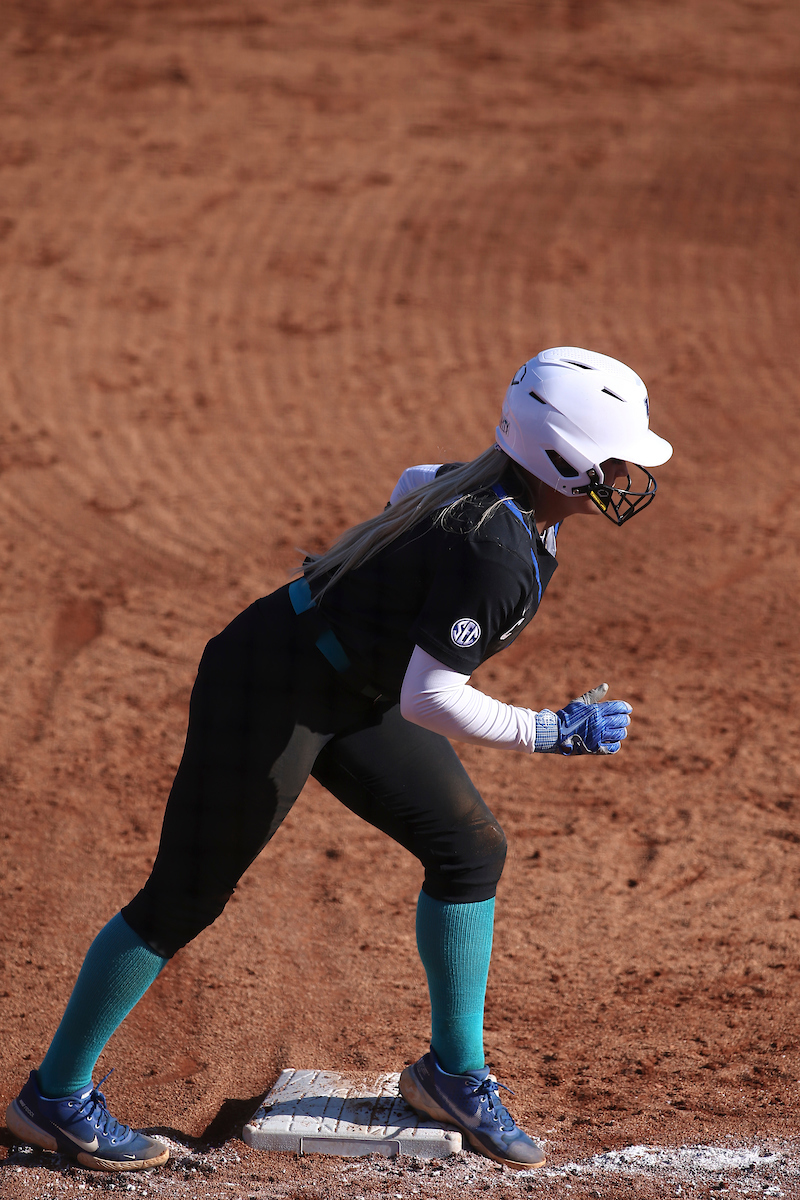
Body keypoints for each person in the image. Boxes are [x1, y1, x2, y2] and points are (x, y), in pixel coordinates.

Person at [6, 347, 672, 1172]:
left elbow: (411, 482)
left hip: (353, 691)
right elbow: (431, 698)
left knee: (468, 849)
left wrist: (383, 596)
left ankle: (452, 1074)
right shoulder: (496, 551)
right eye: (613, 459)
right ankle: (54, 1097)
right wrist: (550, 731)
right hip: (270, 687)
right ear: (563, 460)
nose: (625, 475)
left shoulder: (487, 489)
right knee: (184, 896)